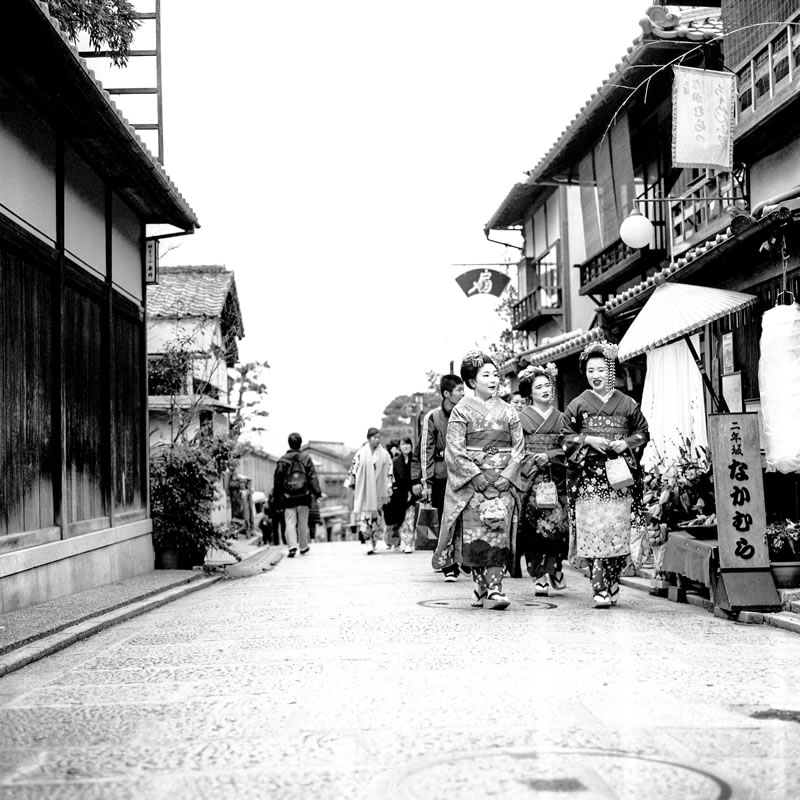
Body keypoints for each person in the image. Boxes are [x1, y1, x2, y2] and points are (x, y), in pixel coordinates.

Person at [432, 352, 524, 610]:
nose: (493, 379)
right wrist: (475, 475)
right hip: (474, 486)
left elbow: (519, 448)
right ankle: (482, 585)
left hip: (502, 483)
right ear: (472, 382)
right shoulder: (461, 410)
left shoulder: (509, 411)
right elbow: (454, 449)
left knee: (498, 534)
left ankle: (495, 588)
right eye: (486, 375)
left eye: (495, 374)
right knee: (475, 537)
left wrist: (508, 475)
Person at [562, 341, 650, 608]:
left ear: (611, 371)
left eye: (601, 369)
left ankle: (612, 580)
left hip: (620, 479)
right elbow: (565, 437)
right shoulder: (578, 404)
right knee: (595, 531)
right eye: (590, 370)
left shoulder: (627, 403)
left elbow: (643, 433)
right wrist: (587, 439)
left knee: (617, 531)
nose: (595, 375)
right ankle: (599, 586)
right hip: (589, 479)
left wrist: (626, 443)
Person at [516, 364, 569, 597]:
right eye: (539, 387)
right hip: (530, 479)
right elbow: (515, 450)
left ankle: (554, 568)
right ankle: (539, 575)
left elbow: (570, 446)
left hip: (555, 477)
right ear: (529, 392)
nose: (545, 390)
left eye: (547, 385)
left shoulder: (563, 418)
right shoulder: (520, 418)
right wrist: (532, 460)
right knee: (532, 529)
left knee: (558, 526)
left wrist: (550, 456)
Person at [411, 374, 465, 574]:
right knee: (445, 519)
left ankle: (464, 558)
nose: (463, 394)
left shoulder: (468, 414)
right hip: (442, 477)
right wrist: (426, 482)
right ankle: (448, 563)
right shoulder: (432, 417)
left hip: (465, 476)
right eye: (459, 390)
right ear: (446, 393)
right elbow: (426, 451)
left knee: (465, 519)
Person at [273, 432, 322, 558]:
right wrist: (317, 492)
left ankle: (292, 546)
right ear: (300, 444)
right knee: (303, 522)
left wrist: (277, 499)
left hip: (288, 496)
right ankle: (303, 546)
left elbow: (277, 481)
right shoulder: (306, 458)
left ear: (289, 443)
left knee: (290, 521)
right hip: (304, 495)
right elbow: (312, 477)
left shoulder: (282, 460)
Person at [346, 427, 394, 554]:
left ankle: (374, 541)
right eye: (374, 437)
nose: (377, 440)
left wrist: (389, 485)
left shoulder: (384, 454)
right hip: (366, 488)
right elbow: (354, 467)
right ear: (369, 438)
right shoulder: (361, 453)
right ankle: (368, 541)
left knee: (377, 517)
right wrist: (351, 481)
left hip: (379, 488)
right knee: (366, 516)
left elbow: (389, 470)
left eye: (378, 437)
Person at [384, 437, 414, 550]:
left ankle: (408, 543)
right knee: (401, 518)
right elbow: (391, 478)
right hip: (400, 495)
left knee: (409, 519)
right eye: (403, 444)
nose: (406, 446)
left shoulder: (416, 459)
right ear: (399, 447)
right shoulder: (395, 462)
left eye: (408, 444)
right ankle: (402, 541)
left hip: (413, 493)